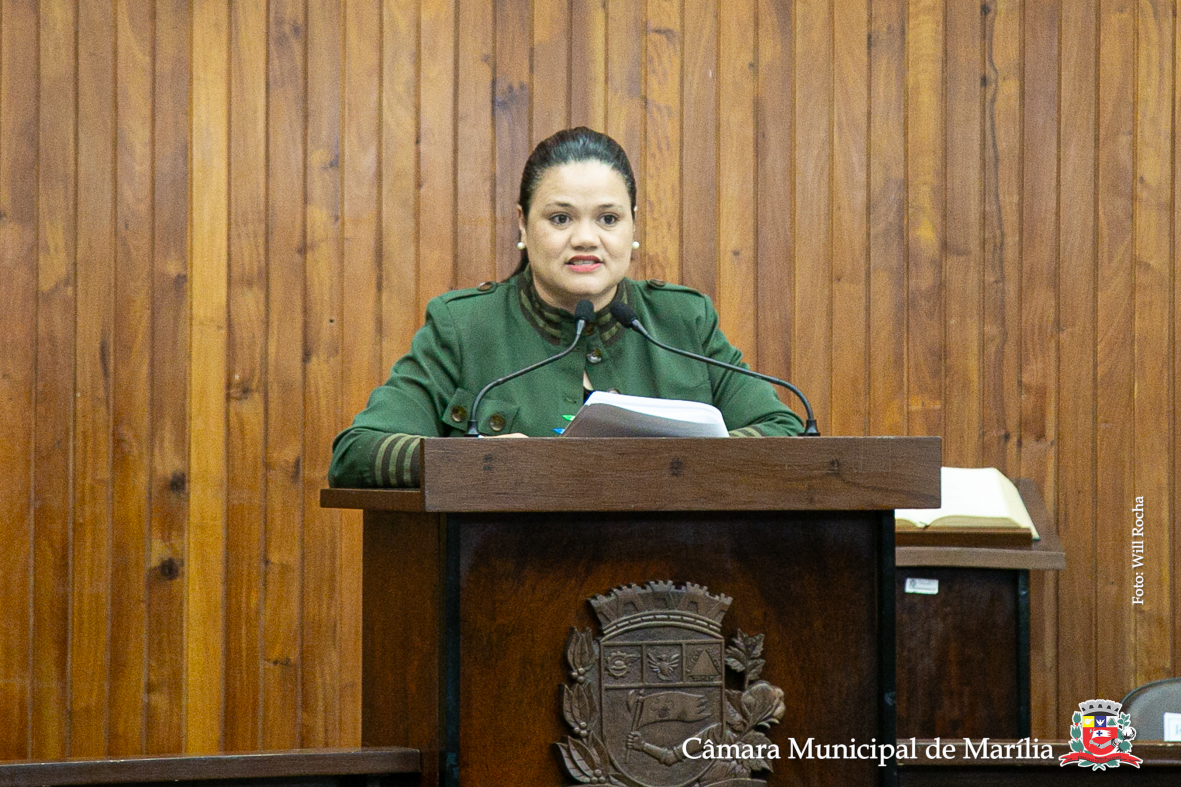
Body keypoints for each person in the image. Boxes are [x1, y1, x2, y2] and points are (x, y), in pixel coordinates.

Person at [329, 127, 803, 488]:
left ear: (633, 227)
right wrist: (478, 462)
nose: (585, 239)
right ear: (523, 225)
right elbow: (357, 453)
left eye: (608, 219)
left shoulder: (683, 321)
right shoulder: (464, 327)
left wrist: (680, 460)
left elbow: (782, 430)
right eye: (560, 218)